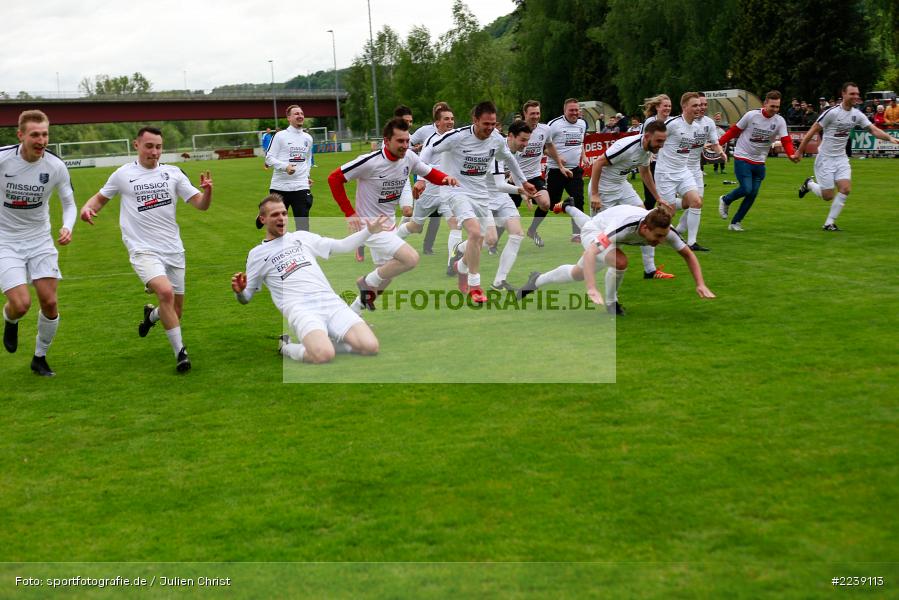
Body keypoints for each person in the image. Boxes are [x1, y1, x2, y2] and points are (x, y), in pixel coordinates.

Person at [80, 126, 213, 373]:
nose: (154, 152)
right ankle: (181, 354)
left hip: (173, 249)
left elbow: (200, 205)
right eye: (149, 146)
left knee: (175, 311)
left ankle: (150, 317)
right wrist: (87, 209)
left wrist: (208, 192)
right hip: (142, 249)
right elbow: (99, 199)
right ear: (136, 145)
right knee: (165, 293)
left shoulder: (173, 174)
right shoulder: (123, 174)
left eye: (159, 147)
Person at [232, 195, 387, 364]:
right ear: (263, 219)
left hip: (330, 302)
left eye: (284, 213)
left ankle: (328, 339)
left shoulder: (301, 237)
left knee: (370, 347)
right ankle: (286, 347)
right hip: (301, 310)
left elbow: (343, 245)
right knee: (323, 355)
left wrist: (369, 231)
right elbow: (246, 297)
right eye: (275, 214)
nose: (281, 218)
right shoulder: (256, 254)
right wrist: (239, 292)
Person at [328, 117, 457, 311]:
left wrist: (446, 178)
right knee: (410, 259)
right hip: (370, 226)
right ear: (386, 141)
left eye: (407, 141)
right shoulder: (370, 161)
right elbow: (334, 178)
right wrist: (349, 212)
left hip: (388, 223)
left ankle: (352, 314)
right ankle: (365, 281)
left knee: (387, 275)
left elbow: (429, 173)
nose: (405, 145)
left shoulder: (410, 158)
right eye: (400, 141)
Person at [420, 101, 536, 303]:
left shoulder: (496, 140)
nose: (490, 128)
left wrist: (524, 182)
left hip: (481, 194)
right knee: (475, 232)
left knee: (481, 239)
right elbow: (428, 150)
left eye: (493, 124)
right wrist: (422, 179)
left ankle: (461, 267)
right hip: (454, 190)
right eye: (486, 124)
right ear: (475, 120)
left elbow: (509, 159)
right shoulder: (457, 137)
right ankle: (475, 285)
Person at [517, 205, 715, 315]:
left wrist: (700, 284)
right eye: (658, 237)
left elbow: (688, 254)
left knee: (576, 274)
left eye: (664, 237)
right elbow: (591, 253)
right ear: (645, 229)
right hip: (594, 231)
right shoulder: (623, 227)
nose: (662, 241)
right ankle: (612, 304)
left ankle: (536, 280)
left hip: (610, 234)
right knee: (620, 262)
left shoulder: (664, 231)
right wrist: (592, 288)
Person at [0, 109, 76, 376]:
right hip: (4, 241)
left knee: (50, 303)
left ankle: (39, 358)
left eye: (45, 134)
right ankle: (10, 319)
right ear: (21, 135)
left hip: (40, 240)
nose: (41, 139)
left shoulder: (55, 166)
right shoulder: (3, 160)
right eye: (35, 134)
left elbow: (69, 203)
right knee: (21, 304)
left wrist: (67, 226)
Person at [573, 119, 671, 280]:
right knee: (598, 232)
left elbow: (645, 172)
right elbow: (598, 163)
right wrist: (596, 194)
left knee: (646, 220)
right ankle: (570, 209)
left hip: (621, 184)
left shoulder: (648, 148)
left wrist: (658, 197)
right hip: (604, 188)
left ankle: (650, 270)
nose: (661, 144)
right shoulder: (627, 146)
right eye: (659, 141)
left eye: (663, 141)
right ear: (647, 136)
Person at [796, 82, 899, 230]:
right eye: (852, 94)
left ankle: (829, 223)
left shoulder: (857, 115)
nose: (856, 96)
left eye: (857, 94)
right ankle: (809, 185)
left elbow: (873, 129)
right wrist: (800, 151)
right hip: (825, 158)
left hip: (841, 158)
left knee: (845, 189)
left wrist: (889, 138)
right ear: (843, 94)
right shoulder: (832, 113)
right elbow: (812, 131)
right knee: (828, 196)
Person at [717, 91, 798, 231]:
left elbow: (786, 140)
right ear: (765, 103)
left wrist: (791, 154)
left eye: (777, 107)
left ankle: (735, 223)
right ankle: (726, 199)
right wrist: (718, 143)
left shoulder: (780, 121)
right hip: (742, 157)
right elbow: (734, 131)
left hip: (760, 162)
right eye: (772, 106)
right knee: (746, 189)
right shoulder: (751, 115)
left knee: (753, 194)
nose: (775, 110)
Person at [653, 92, 724, 253]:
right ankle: (651, 217)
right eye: (695, 106)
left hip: (683, 171)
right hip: (665, 173)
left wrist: (715, 149)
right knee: (667, 212)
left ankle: (691, 242)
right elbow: (652, 137)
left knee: (696, 201)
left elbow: (696, 145)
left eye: (700, 105)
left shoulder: (697, 127)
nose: (699, 108)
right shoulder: (672, 124)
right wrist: (649, 152)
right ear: (684, 107)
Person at [395, 105, 461, 273]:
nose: (450, 122)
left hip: (448, 189)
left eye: (452, 119)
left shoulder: (457, 137)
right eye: (446, 119)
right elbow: (421, 162)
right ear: (437, 123)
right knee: (416, 226)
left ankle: (451, 264)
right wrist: (422, 180)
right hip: (430, 190)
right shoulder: (432, 139)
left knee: (455, 224)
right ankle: (391, 245)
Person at [527, 98, 588, 246]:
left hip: (575, 170)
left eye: (576, 110)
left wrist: (584, 155)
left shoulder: (582, 123)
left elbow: (580, 142)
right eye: (571, 110)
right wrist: (558, 158)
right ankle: (532, 229)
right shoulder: (554, 125)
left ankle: (576, 234)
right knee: (550, 204)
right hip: (555, 170)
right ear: (564, 111)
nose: (574, 113)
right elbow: (544, 147)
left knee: (578, 200)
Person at [484, 120, 536, 290]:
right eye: (523, 140)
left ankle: (499, 281)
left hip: (502, 198)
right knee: (486, 241)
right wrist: (522, 191)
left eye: (528, 140)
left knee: (517, 234)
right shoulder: (498, 151)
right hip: (484, 197)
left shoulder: (514, 151)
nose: (526, 144)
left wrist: (524, 187)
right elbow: (499, 185)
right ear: (511, 136)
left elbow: (514, 171)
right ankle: (460, 253)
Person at [409, 102, 451, 255]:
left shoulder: (453, 134)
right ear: (436, 117)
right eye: (442, 115)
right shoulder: (425, 131)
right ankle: (396, 239)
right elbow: (409, 144)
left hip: (445, 184)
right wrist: (414, 151)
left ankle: (429, 246)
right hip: (425, 177)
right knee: (415, 222)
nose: (449, 121)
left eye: (450, 117)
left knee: (440, 218)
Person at [262, 105, 314, 231]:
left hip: (300, 186)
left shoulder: (308, 138)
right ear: (289, 118)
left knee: (303, 227)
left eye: (302, 113)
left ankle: (302, 250)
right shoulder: (280, 136)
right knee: (277, 227)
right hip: (280, 187)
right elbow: (268, 158)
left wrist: (306, 176)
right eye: (296, 114)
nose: (300, 116)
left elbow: (307, 160)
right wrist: (285, 167)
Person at [640, 94, 672, 210]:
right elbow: (642, 140)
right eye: (665, 106)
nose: (668, 108)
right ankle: (641, 220)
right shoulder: (650, 122)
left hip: (667, 164)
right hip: (651, 163)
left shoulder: (672, 122)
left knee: (666, 197)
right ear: (657, 107)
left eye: (669, 106)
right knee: (650, 199)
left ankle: (660, 223)